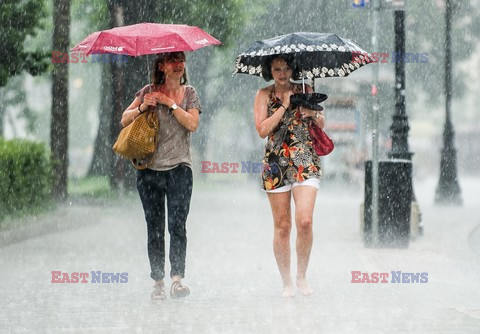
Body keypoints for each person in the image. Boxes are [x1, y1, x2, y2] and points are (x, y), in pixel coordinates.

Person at [121, 51, 201, 300]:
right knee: (154, 228)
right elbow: (124, 119)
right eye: (172, 60)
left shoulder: (190, 93)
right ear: (162, 66)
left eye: (181, 60)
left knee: (177, 226)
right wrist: (144, 106)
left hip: (180, 169)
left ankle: (177, 280)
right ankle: (158, 282)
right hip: (149, 171)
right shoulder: (148, 90)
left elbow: (192, 124)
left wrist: (170, 104)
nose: (178, 64)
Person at [253, 55, 325, 298]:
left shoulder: (306, 88)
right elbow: (262, 129)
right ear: (269, 71)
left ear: (293, 69)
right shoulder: (263, 95)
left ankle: (302, 276)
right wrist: (284, 105)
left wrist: (312, 114)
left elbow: (323, 122)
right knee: (282, 226)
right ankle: (286, 282)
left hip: (305, 159)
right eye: (276, 69)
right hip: (276, 163)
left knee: (304, 221)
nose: (282, 73)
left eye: (286, 68)